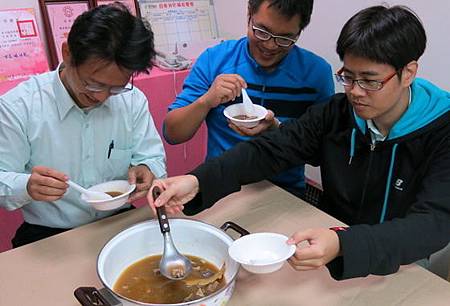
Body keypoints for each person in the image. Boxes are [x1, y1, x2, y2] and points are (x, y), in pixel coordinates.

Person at [147, 5, 450, 280]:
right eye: (348, 76)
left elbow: (433, 223)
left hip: (401, 261)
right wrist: (197, 180)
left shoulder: (441, 130)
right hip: (327, 244)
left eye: (370, 81)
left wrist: (345, 243)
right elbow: (271, 149)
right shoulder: (337, 113)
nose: (355, 92)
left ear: (408, 72)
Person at [0, 4, 166, 247]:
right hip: (49, 235)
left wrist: (146, 168)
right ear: (67, 53)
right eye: (93, 84)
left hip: (118, 222)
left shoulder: (131, 100)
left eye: (116, 87)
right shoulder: (19, 106)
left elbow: (153, 157)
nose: (102, 97)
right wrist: (26, 186)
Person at [163, 0, 334, 198]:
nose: (270, 45)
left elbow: (325, 153)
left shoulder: (316, 74)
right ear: (249, 15)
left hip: (283, 194)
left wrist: (277, 129)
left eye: (284, 39)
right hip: (219, 188)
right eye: (262, 31)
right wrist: (207, 100)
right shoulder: (215, 60)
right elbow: (172, 134)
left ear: (299, 32)